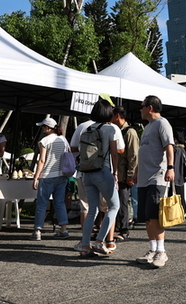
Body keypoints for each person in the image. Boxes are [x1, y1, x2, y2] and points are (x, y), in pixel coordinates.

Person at [78, 99, 123, 257]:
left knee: (92, 210)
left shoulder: (87, 129)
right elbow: (115, 154)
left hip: (87, 173)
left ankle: (85, 246)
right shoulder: (110, 129)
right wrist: (115, 173)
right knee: (114, 207)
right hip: (102, 172)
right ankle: (99, 241)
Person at [135, 95, 175, 269]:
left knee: (155, 216)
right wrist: (136, 172)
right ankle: (152, 250)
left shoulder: (162, 123)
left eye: (142, 106)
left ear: (150, 107)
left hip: (157, 176)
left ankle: (161, 251)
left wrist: (171, 167)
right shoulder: (148, 127)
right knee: (146, 217)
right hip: (144, 178)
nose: (140, 109)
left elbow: (169, 146)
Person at [31, 117, 70, 241]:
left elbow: (42, 160)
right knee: (59, 203)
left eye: (43, 127)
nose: (42, 129)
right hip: (62, 175)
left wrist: (36, 177)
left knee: (42, 204)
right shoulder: (63, 139)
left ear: (48, 128)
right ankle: (63, 229)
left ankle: (37, 230)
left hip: (47, 175)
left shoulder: (44, 141)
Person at [112, 106, 139, 240]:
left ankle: (124, 230)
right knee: (115, 202)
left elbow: (133, 156)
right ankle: (117, 227)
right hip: (116, 173)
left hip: (123, 174)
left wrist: (130, 175)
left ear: (117, 116)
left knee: (123, 202)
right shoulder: (116, 131)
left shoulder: (130, 132)